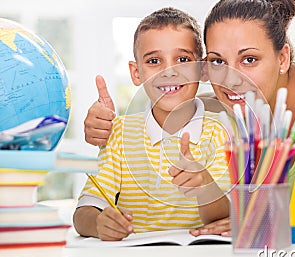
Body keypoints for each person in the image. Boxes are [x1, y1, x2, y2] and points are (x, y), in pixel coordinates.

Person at [83, 0, 295, 237]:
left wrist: (261, 222)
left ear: (282, 58)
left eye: (249, 60)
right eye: (219, 61)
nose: (232, 79)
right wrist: (102, 126)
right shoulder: (215, 112)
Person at [73, 7, 230, 241]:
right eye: (154, 61)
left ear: (203, 69)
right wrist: (99, 223)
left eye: (183, 59)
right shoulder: (120, 135)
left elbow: (226, 217)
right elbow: (83, 212)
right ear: (136, 73)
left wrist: (204, 185)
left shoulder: (222, 132)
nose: (169, 71)